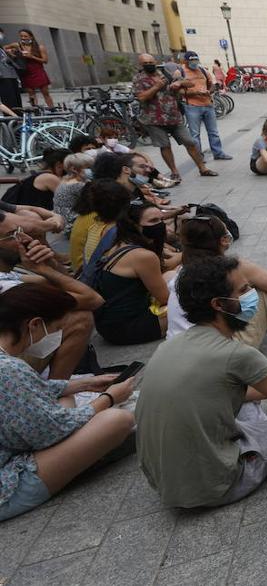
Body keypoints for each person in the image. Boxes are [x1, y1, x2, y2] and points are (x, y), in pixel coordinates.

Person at [136, 255, 267, 508]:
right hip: (219, 484)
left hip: (167, 485)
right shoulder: (237, 354)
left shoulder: (171, 345)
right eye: (244, 290)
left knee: (246, 402)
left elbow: (221, 391)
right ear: (219, 304)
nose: (253, 295)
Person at [0, 284, 135, 522]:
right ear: (33, 325)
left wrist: (81, 385)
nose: (53, 338)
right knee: (117, 420)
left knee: (67, 400)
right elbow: (53, 432)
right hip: (7, 484)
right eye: (53, 330)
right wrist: (109, 398)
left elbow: (22, 394)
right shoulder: (9, 368)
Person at [168, 214, 267, 343]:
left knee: (245, 291)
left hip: (181, 344)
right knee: (260, 292)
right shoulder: (231, 269)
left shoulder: (182, 271)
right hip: (216, 349)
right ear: (224, 240)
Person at [0, 220, 101, 380]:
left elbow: (63, 287)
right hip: (8, 369)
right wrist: (44, 270)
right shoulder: (7, 287)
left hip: (11, 358)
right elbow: (92, 299)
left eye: (20, 231)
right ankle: (55, 390)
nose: (24, 239)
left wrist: (51, 265)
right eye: (12, 236)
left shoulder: (6, 275)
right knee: (80, 318)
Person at [93, 202, 171, 345]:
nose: (160, 225)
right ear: (135, 225)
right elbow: (166, 298)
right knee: (198, 307)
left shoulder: (119, 244)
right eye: (153, 221)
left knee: (171, 276)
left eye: (162, 220)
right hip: (129, 328)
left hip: (107, 326)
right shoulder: (143, 256)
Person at [131, 53, 216, 180]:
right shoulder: (139, 79)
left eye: (151, 62)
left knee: (190, 142)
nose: (149, 65)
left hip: (173, 116)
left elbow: (189, 84)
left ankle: (202, 168)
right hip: (154, 119)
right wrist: (157, 87)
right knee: (165, 145)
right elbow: (142, 97)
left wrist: (179, 83)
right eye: (146, 64)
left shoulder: (165, 73)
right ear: (141, 65)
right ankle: (174, 172)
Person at [179, 51, 232, 161]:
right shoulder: (181, 71)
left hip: (208, 104)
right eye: (192, 61)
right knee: (195, 134)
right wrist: (194, 93)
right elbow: (178, 91)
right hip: (192, 107)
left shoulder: (202, 70)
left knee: (213, 132)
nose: (194, 63)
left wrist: (209, 91)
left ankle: (218, 153)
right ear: (186, 61)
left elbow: (211, 84)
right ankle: (199, 157)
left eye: (196, 60)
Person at [7, 30, 53, 108]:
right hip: (26, 72)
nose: (23, 38)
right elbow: (4, 48)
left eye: (25, 36)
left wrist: (32, 57)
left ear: (31, 36)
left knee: (45, 92)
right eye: (21, 36)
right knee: (31, 93)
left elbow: (45, 61)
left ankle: (52, 109)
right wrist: (11, 53)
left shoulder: (39, 47)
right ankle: (35, 109)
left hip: (38, 71)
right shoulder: (17, 45)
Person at [51, 152, 92, 232]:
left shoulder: (65, 180)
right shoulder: (77, 185)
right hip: (72, 225)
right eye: (87, 167)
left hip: (64, 223)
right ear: (74, 169)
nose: (90, 170)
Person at [0, 43, 23, 111]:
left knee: (16, 98)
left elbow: (7, 60)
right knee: (9, 99)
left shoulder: (2, 49)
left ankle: (19, 115)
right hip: (3, 77)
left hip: (11, 75)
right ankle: (11, 117)